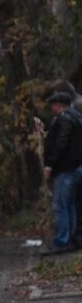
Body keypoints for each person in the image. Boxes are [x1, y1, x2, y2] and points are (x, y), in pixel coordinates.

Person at [42, 91, 82, 255]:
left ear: (58, 105)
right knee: (71, 205)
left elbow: (60, 143)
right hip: (77, 167)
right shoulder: (77, 118)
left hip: (66, 169)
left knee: (61, 205)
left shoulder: (64, 120)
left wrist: (50, 164)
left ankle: (62, 241)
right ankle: (71, 239)